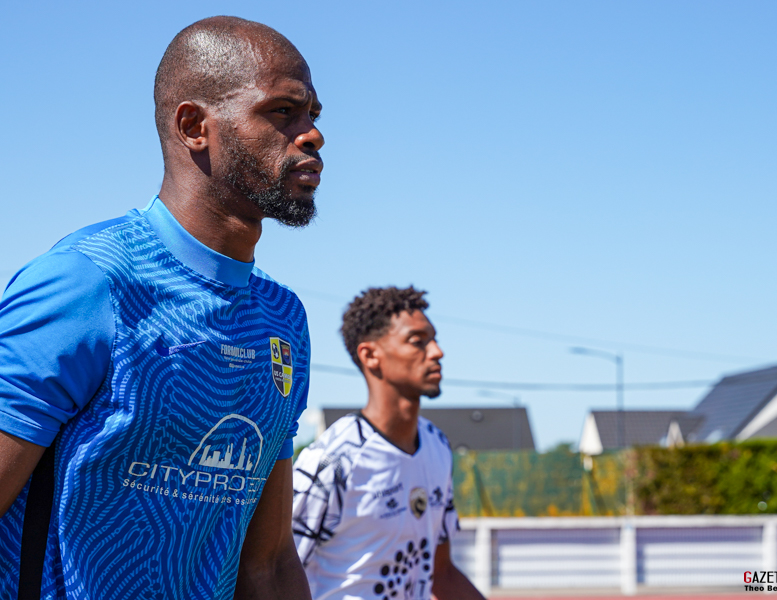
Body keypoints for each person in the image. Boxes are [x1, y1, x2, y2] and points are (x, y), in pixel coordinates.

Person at [0, 16, 322, 600]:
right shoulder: (88, 282)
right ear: (195, 126)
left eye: (313, 115)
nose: (312, 135)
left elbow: (269, 564)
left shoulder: (283, 320)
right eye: (283, 111)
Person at [292, 286, 486, 600]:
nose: (437, 352)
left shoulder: (437, 446)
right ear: (370, 356)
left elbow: (442, 573)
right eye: (418, 341)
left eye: (434, 339)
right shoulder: (332, 461)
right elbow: (274, 571)